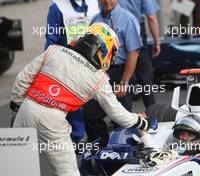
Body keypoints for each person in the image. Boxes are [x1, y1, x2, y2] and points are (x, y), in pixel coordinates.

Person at [10, 22, 151, 176]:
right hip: (53, 122)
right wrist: (141, 122)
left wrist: (16, 109)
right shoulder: (99, 79)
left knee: (15, 168)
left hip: (26, 108)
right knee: (69, 173)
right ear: (104, 49)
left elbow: (23, 79)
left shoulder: (54, 50)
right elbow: (117, 114)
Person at [83, 0, 143, 147]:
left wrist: (124, 82)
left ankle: (121, 158)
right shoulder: (95, 21)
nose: (107, 1)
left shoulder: (128, 19)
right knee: (90, 115)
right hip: (99, 73)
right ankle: (100, 153)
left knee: (121, 120)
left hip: (120, 72)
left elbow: (134, 52)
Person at [45, 0, 100, 145]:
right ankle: (78, 136)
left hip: (95, 63)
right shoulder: (58, 7)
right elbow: (51, 40)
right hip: (69, 63)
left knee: (95, 102)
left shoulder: (95, 2)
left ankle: (96, 136)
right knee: (74, 101)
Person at [119, 0, 161, 108]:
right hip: (137, 31)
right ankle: (152, 113)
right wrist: (157, 41)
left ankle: (123, 120)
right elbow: (151, 18)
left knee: (122, 77)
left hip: (118, 32)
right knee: (145, 77)